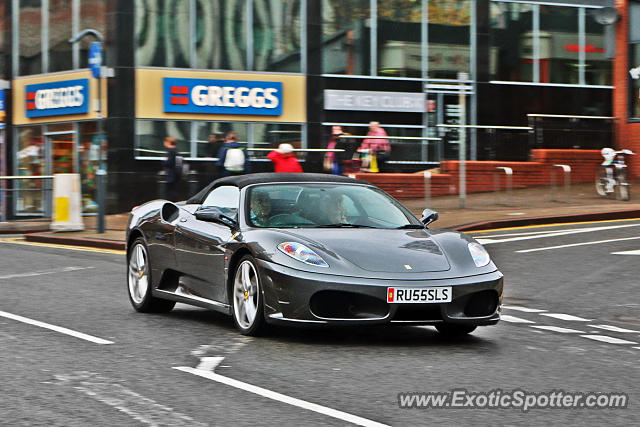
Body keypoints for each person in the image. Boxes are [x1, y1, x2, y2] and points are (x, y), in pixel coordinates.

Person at [162, 136, 182, 200]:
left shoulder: (171, 151)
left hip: (171, 174)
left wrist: (164, 162)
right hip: (176, 174)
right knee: (173, 190)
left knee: (171, 191)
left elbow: (169, 162)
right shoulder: (176, 150)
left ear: (168, 142)